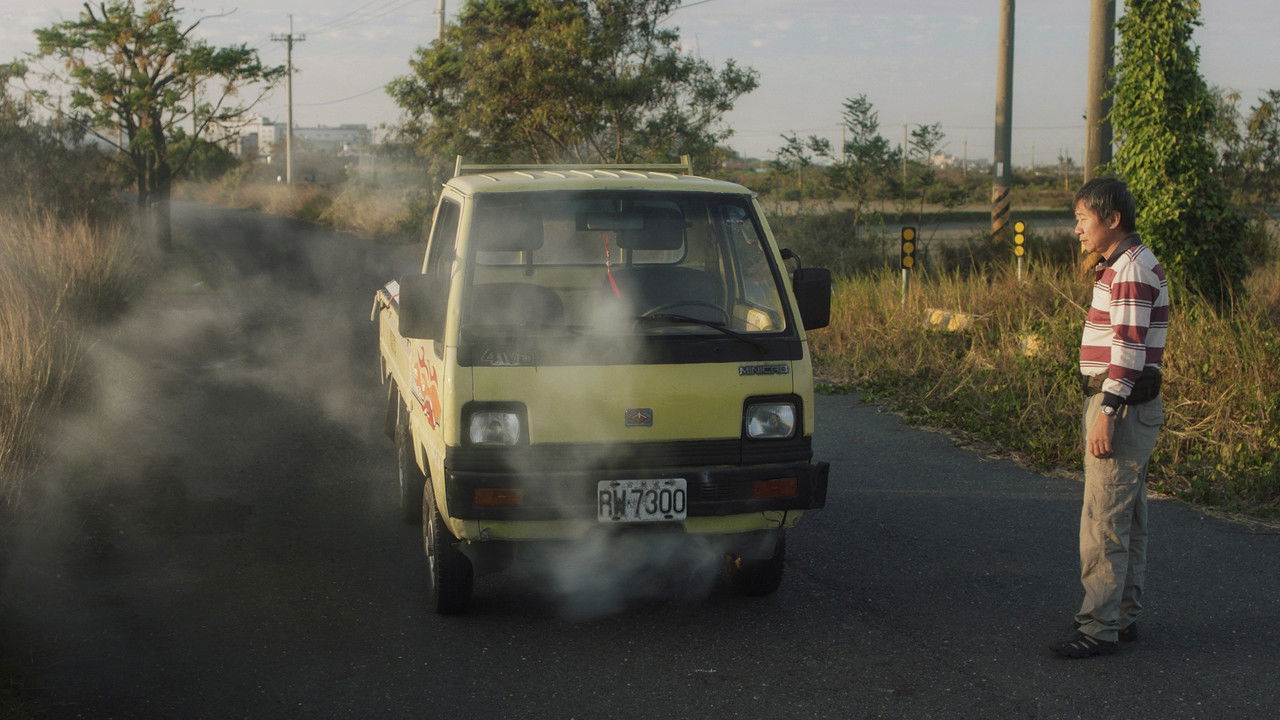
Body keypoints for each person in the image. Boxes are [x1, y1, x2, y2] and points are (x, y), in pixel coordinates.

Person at [1050, 177, 1169, 659]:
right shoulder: (1121, 265)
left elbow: (1128, 348)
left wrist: (1109, 411)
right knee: (1127, 515)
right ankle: (1121, 615)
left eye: (1082, 219)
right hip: (1124, 402)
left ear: (1112, 219)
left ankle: (1098, 627)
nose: (1076, 229)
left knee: (1104, 519)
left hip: (1119, 403)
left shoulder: (1131, 271)